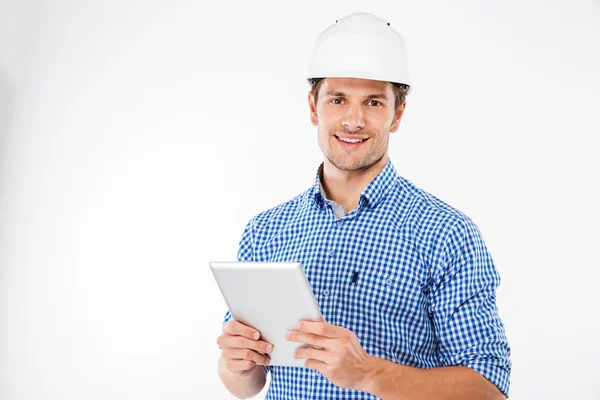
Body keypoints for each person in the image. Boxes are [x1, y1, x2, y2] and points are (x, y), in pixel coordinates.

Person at [216, 12, 511, 400]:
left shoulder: (446, 233)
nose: (353, 120)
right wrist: (236, 362)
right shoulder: (265, 231)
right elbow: (245, 384)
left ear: (397, 114)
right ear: (313, 107)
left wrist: (371, 374)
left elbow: (488, 388)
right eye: (338, 99)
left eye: (373, 102)